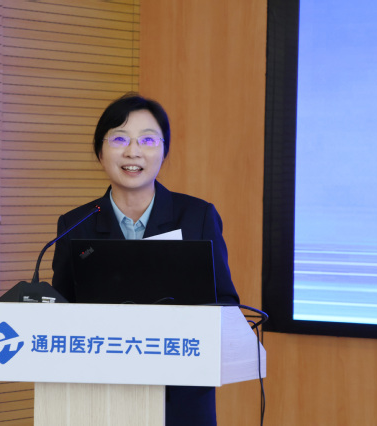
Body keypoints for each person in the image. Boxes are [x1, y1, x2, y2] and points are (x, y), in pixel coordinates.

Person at [51, 93, 240, 426]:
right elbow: (61, 311)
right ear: (100, 151)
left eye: (148, 140)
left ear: (164, 151)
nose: (133, 151)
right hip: (100, 397)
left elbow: (225, 304)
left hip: (180, 399)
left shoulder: (197, 217)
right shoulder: (75, 224)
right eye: (119, 139)